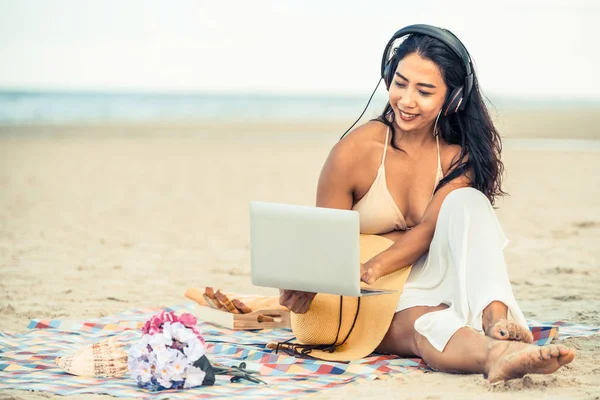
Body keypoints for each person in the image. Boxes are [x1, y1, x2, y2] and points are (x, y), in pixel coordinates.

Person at [278, 25, 575, 382]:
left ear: (453, 98)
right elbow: (324, 239)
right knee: (428, 324)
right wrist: (316, 278)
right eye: (400, 83)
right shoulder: (355, 152)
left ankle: (496, 321)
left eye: (424, 91)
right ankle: (494, 354)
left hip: (429, 276)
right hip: (365, 294)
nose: (406, 99)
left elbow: (429, 230)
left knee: (468, 202)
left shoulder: (457, 157)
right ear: (387, 78)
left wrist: (374, 265)